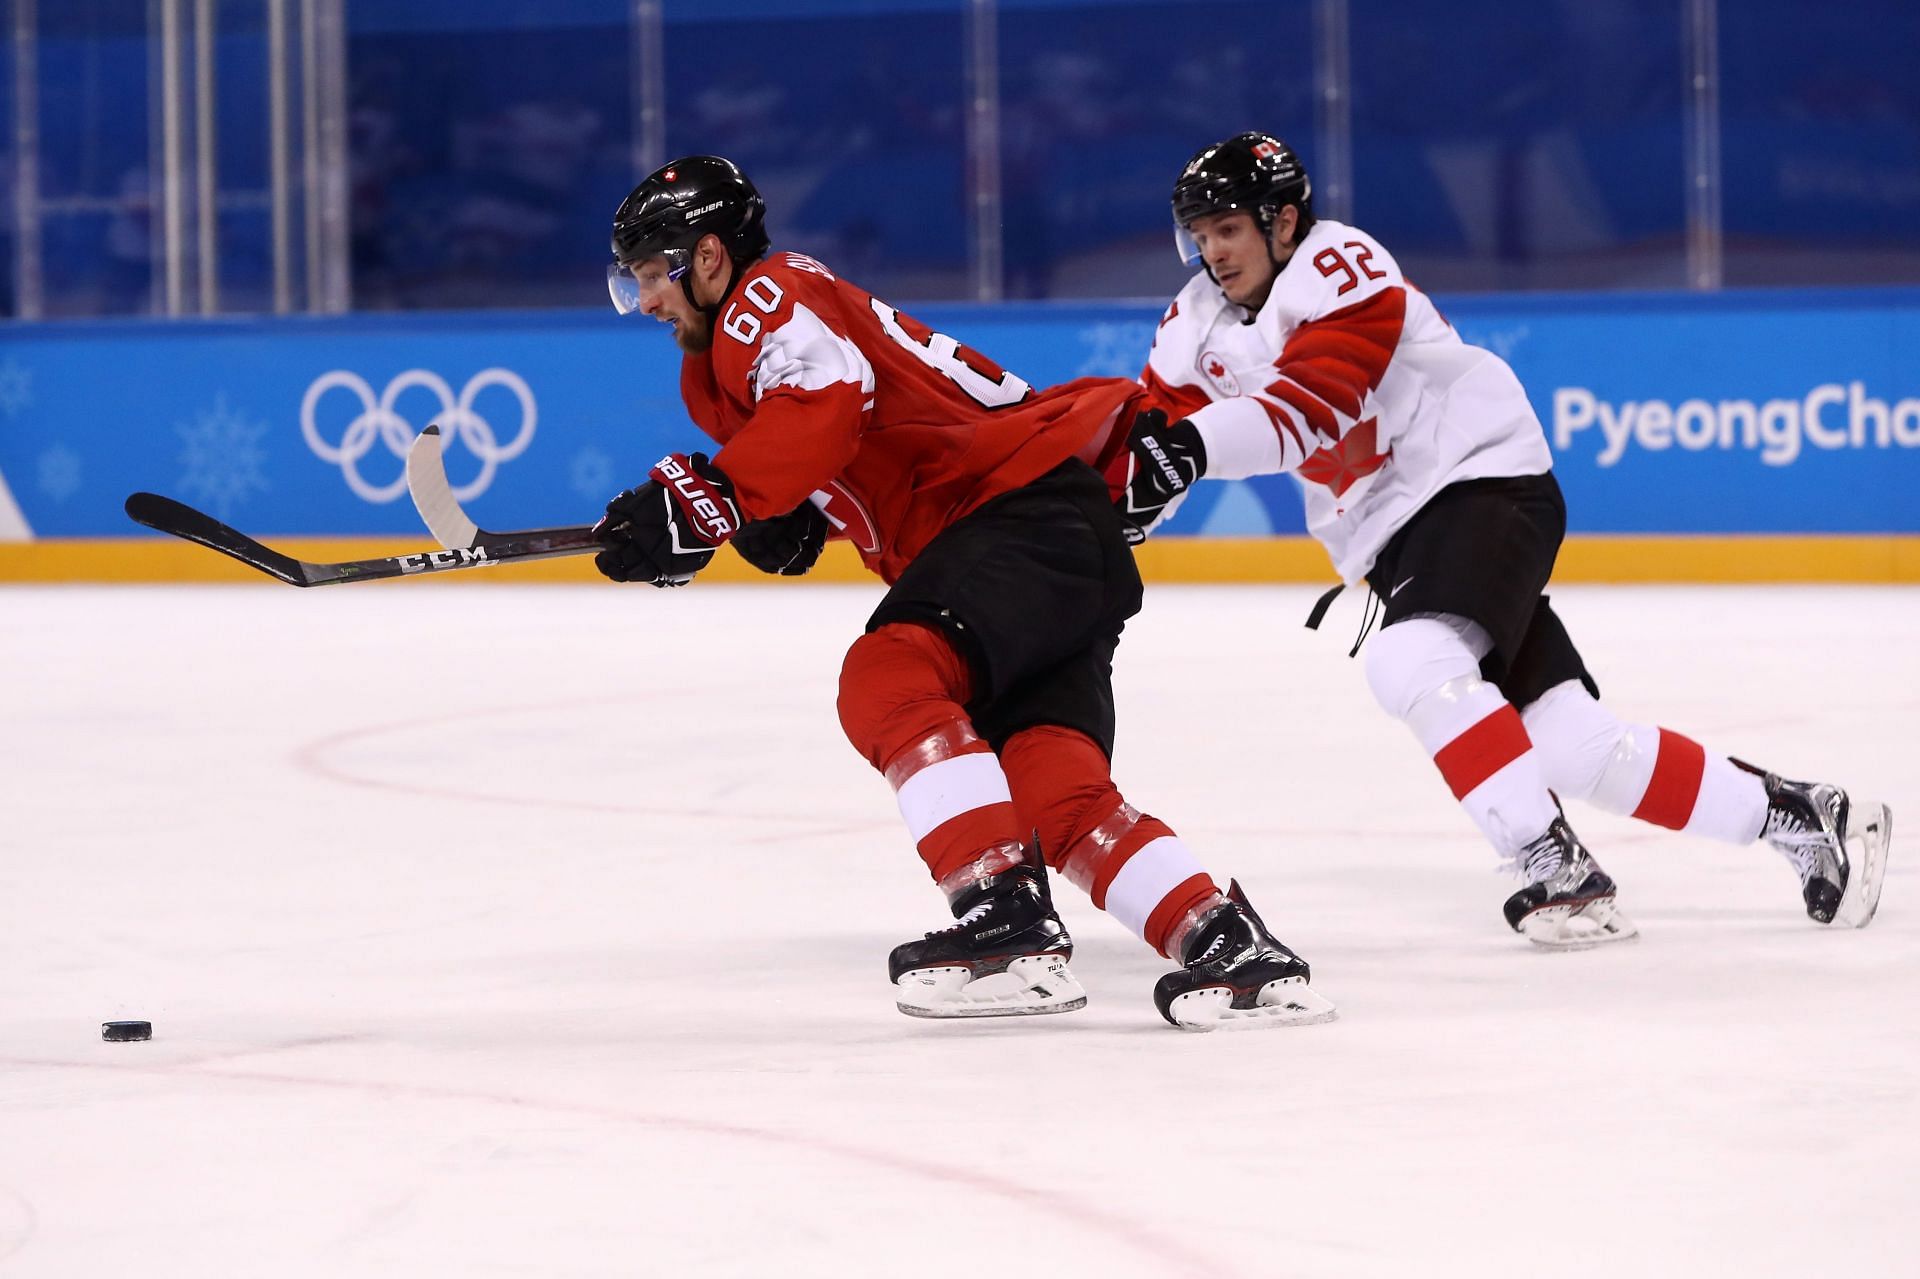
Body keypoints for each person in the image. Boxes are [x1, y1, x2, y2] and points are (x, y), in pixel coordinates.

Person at [594, 154, 1335, 1030]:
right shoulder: (733, 352)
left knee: (887, 678)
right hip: (1057, 535)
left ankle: (1007, 925)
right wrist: (766, 515)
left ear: (710, 256)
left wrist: (717, 492)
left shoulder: (767, 294)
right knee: (1056, 793)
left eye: (652, 273)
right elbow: (844, 447)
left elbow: (827, 397)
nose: (645, 299)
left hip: (1012, 519)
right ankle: (1228, 947)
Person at [1113, 132, 1892, 946]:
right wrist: (1118, 510)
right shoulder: (1194, 321)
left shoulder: (1342, 266)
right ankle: (1801, 816)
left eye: (1227, 229)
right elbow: (1152, 435)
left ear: (1283, 220)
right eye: (1199, 236)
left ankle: (1553, 867)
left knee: (1410, 658)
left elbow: (1311, 407)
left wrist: (1187, 453)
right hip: (1394, 541)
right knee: (1574, 746)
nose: (1212, 252)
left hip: (1480, 482)